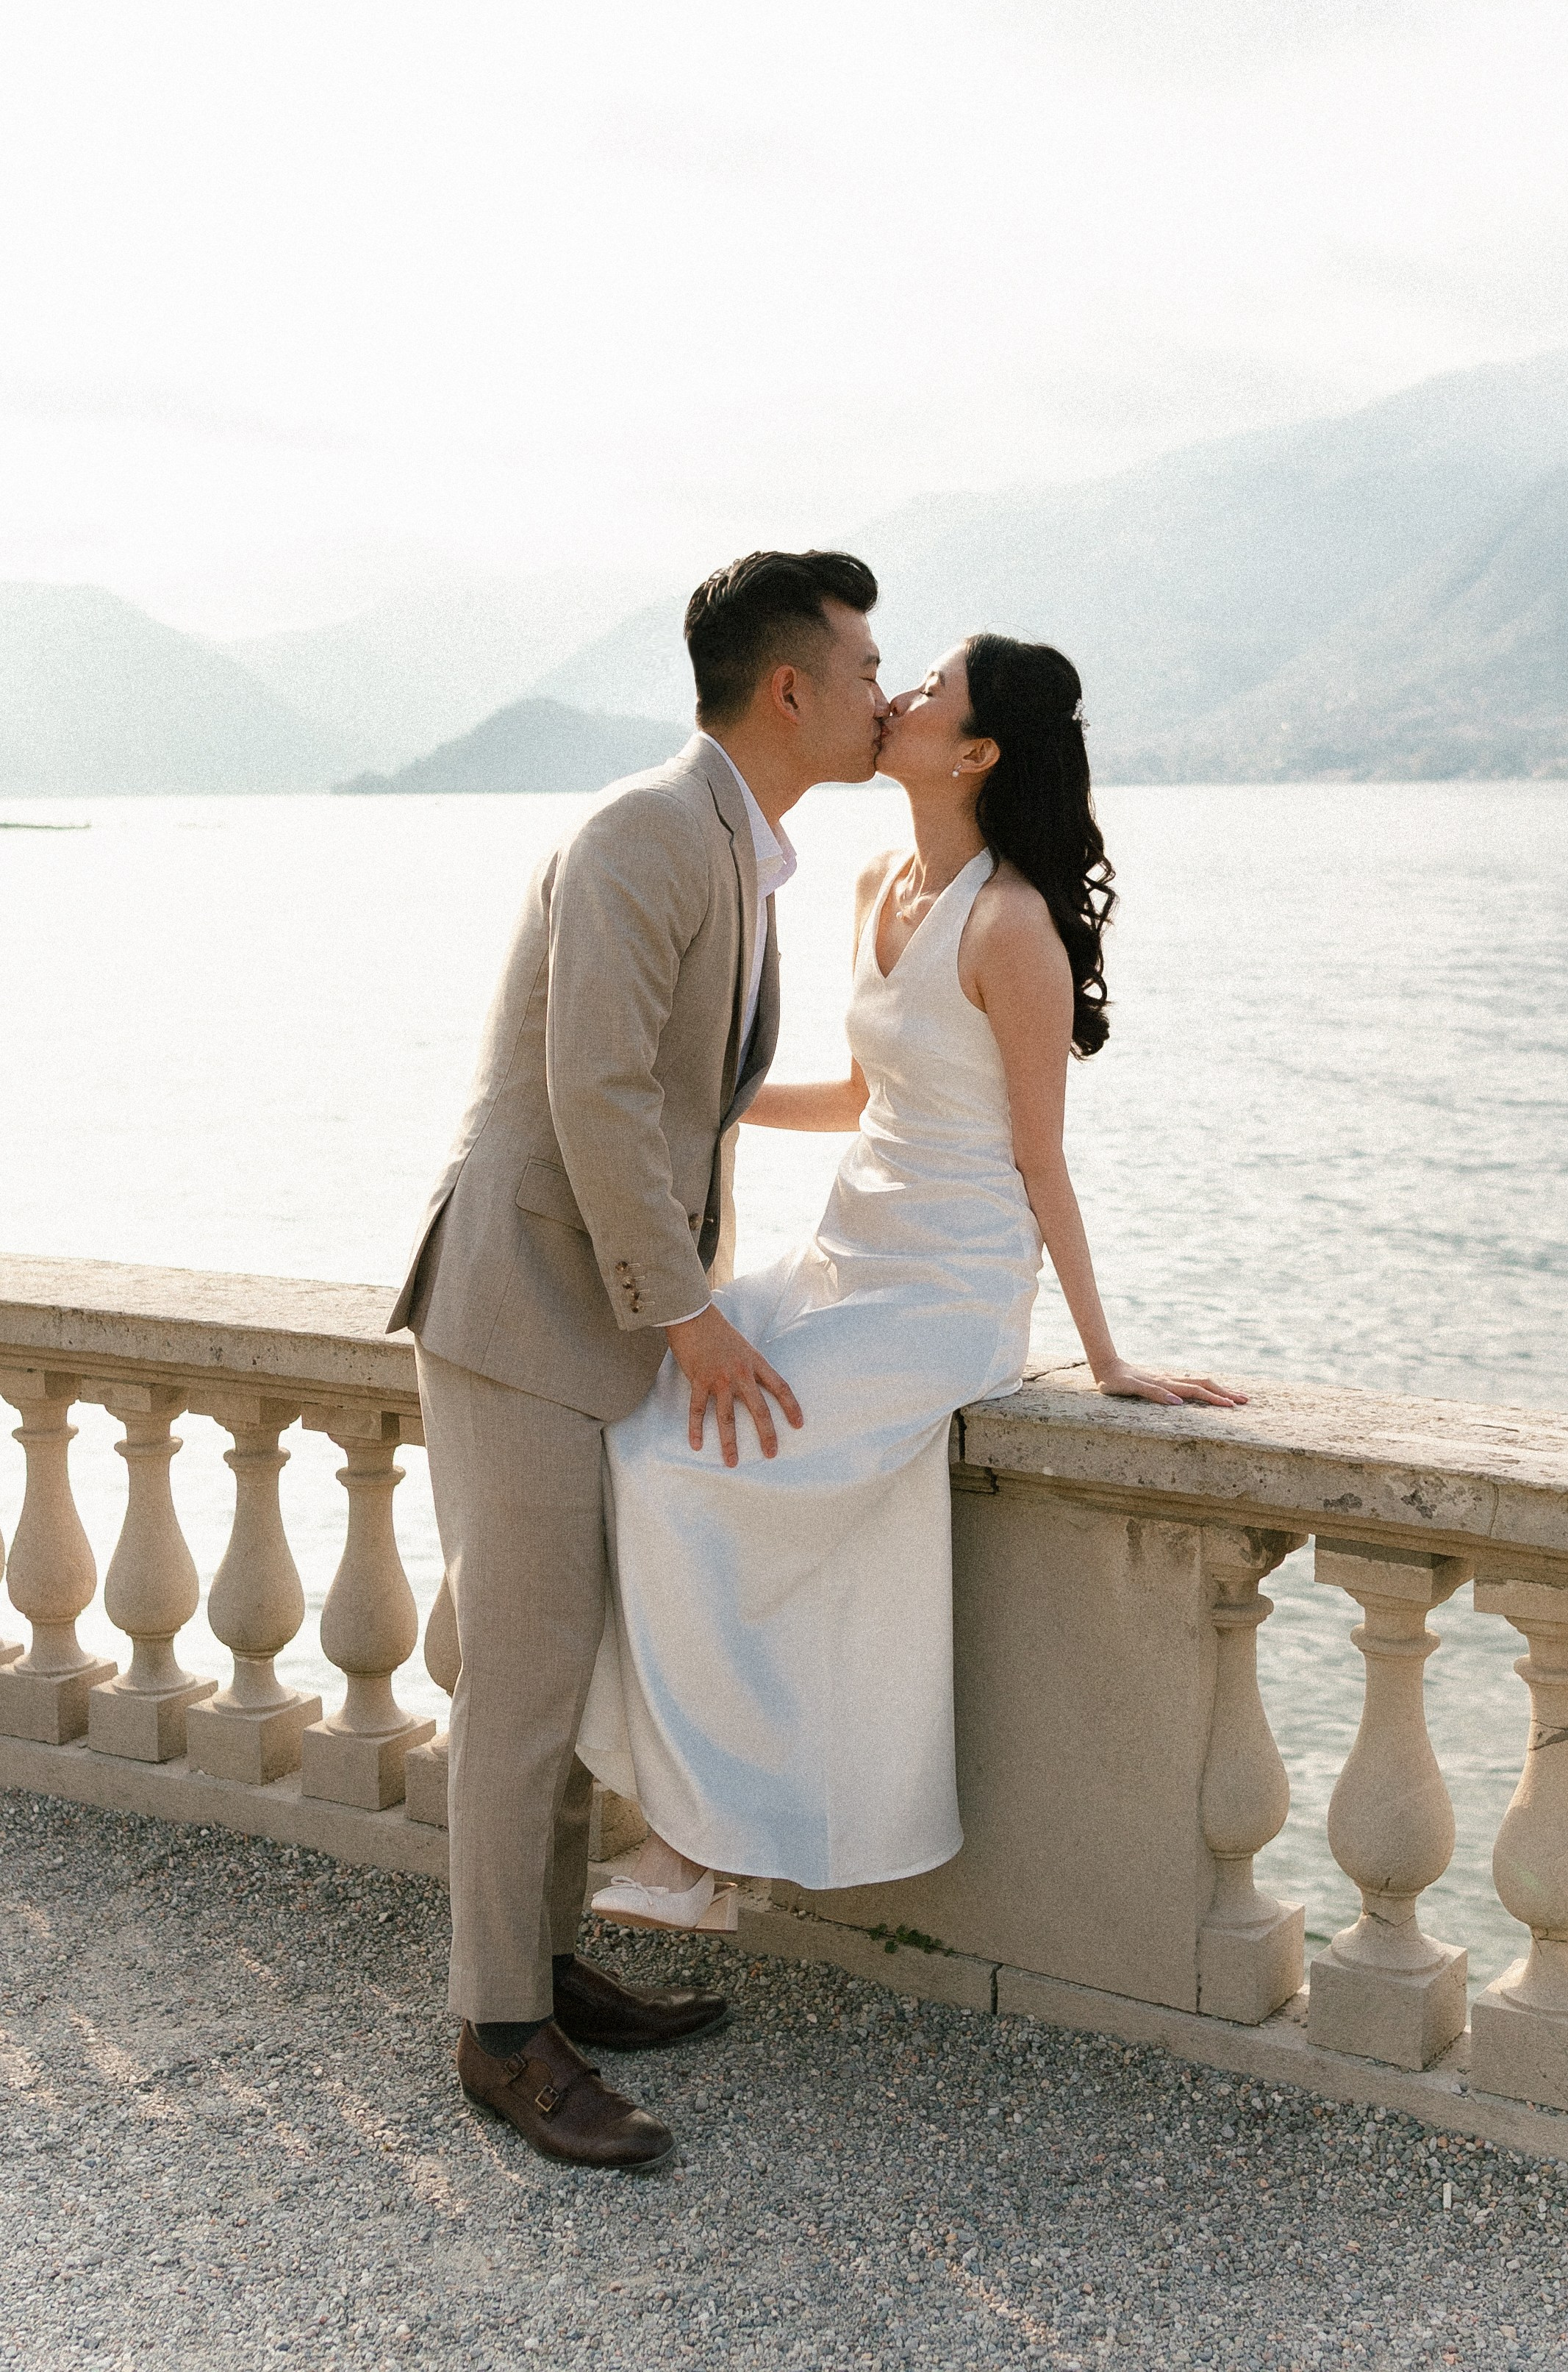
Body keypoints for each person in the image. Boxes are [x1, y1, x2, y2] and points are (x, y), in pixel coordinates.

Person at [581, 633, 1245, 1925]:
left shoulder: (1013, 928)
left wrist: (1105, 1357)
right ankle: (711, 1830)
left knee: (684, 1476)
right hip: (844, 1256)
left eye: (931, 691)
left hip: (944, 1296)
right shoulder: (879, 878)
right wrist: (697, 1098)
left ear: (978, 751)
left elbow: (1040, 1163)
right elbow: (866, 1096)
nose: (898, 699)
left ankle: (703, 1849)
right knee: (643, 1432)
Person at [388, 549, 889, 2171]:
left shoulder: (740, 855)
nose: (884, 694)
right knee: (522, 1684)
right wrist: (686, 1318)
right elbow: (596, 1087)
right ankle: (498, 2033)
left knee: (557, 1669)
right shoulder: (644, 831)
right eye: (865, 667)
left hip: (590, 1316)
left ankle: (537, 1970)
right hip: (527, 1308)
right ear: (790, 688)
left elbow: (693, 1092)